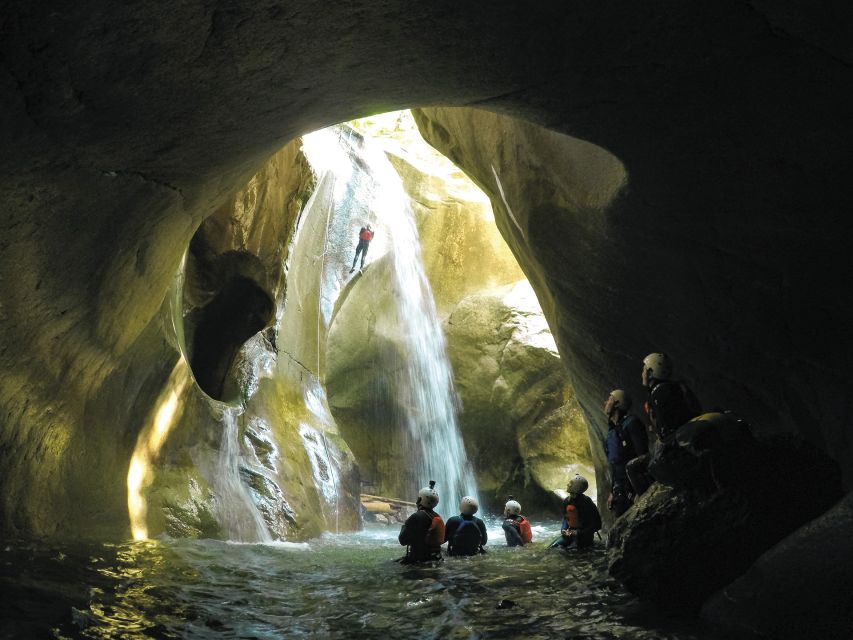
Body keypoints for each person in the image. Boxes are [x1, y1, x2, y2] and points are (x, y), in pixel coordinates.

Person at [626, 352, 702, 495]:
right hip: (688, 434)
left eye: (644, 369)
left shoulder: (659, 393)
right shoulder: (672, 387)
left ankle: (676, 492)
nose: (642, 373)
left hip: (680, 442)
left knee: (649, 466)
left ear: (650, 372)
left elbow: (668, 429)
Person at [604, 389, 648, 516]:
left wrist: (639, 491)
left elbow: (642, 456)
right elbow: (614, 465)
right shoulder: (612, 431)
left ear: (617, 404)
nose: (605, 402)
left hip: (634, 486)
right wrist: (612, 491)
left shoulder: (631, 423)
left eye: (610, 399)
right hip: (620, 487)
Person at [550, 474, 601, 550]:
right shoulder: (567, 501)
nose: (572, 496)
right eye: (571, 493)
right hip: (570, 535)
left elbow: (597, 525)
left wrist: (578, 532)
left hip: (584, 537)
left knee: (572, 550)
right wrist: (563, 529)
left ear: (580, 492)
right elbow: (566, 518)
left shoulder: (587, 503)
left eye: (574, 494)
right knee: (553, 547)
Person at [398, 480, 444, 563]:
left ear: (420, 500)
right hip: (435, 558)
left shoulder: (416, 517)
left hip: (419, 559)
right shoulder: (437, 516)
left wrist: (404, 526)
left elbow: (402, 540)